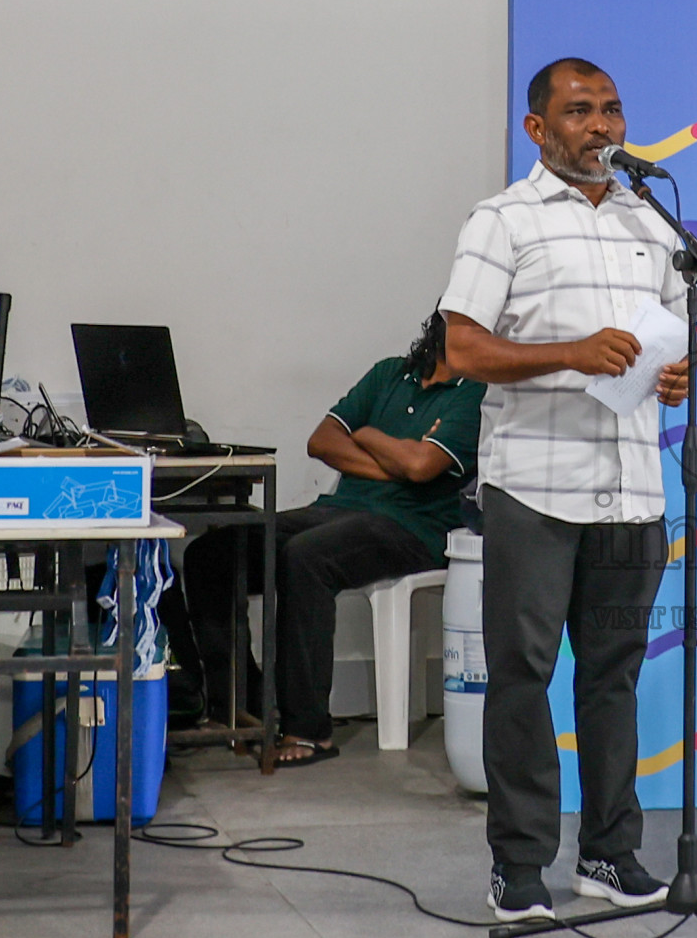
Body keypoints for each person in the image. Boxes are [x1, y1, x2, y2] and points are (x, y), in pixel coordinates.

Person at [439, 57, 695, 922]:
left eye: (612, 110)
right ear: (538, 129)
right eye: (579, 111)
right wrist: (571, 352)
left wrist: (674, 376)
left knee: (613, 676)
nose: (602, 125)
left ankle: (610, 854)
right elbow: (463, 352)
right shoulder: (502, 221)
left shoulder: (651, 219)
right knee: (523, 676)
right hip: (537, 488)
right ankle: (518, 866)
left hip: (633, 489)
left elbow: (665, 335)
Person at [180, 311, 486, 767]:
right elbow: (322, 442)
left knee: (307, 557)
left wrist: (365, 437)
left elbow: (423, 468)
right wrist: (393, 459)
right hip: (337, 510)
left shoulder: (477, 393)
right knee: (212, 553)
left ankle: (308, 730)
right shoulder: (389, 373)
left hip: (413, 527)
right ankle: (238, 708)